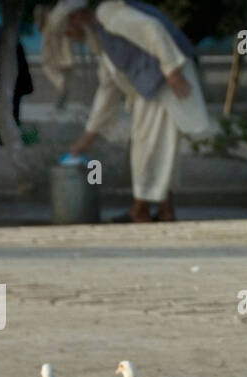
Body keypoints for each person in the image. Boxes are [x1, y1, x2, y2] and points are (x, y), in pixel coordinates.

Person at [42, 0, 212, 223]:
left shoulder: (109, 14)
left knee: (148, 147)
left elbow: (151, 28)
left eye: (68, 30)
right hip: (151, 85)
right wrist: (89, 136)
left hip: (163, 81)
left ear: (77, 18)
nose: (71, 37)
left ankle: (140, 210)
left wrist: (172, 70)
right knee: (157, 146)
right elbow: (108, 88)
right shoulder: (100, 36)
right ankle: (164, 210)